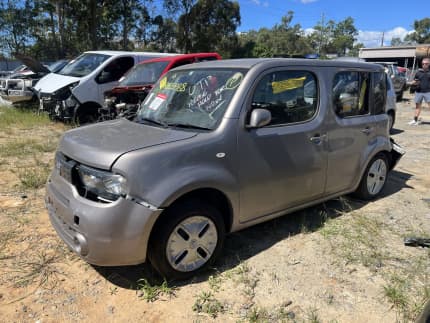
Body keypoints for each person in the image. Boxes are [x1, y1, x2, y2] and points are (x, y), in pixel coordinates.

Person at [408, 57, 430, 125]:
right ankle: (415, 120)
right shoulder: (418, 72)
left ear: (429, 64)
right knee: (417, 107)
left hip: (428, 92)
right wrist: (409, 83)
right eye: (423, 64)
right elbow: (415, 81)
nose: (424, 65)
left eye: (426, 64)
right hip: (418, 92)